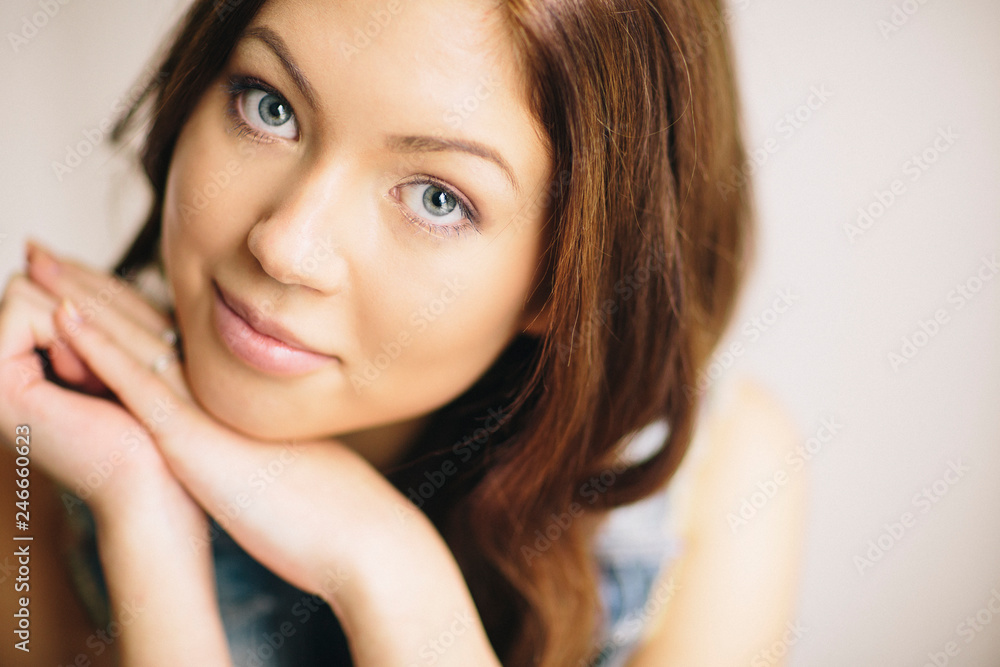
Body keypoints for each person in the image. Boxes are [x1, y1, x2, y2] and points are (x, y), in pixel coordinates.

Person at [0, 0, 805, 664]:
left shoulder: (717, 488)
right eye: (269, 106)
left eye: (435, 198)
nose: (285, 246)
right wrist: (145, 523)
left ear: (567, 279)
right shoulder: (44, 428)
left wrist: (388, 572)